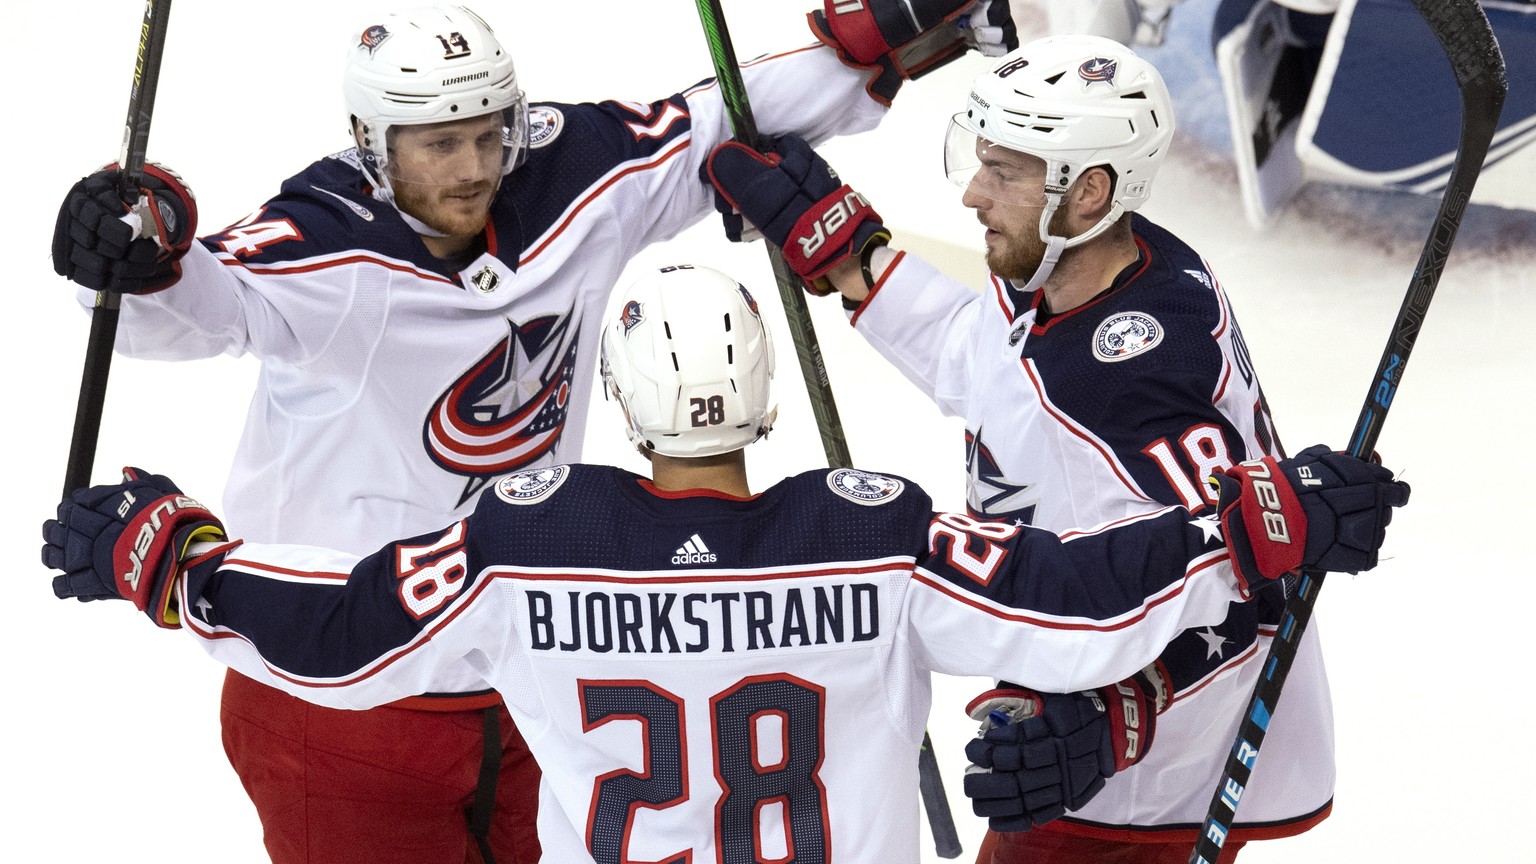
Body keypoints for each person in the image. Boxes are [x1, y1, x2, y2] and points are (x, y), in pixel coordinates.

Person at [47, 3, 1021, 862]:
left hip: (532, 679)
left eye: (489, 133)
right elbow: (181, 307)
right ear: (369, 141)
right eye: (438, 144)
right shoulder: (320, 248)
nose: (474, 169)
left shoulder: (571, 174)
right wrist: (138, 236)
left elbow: (720, 117)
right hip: (339, 689)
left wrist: (878, 30)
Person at [41, 264, 1410, 864]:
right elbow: (1084, 602)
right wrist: (1251, 523)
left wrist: (178, 565)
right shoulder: (875, 532)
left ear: (625, 402)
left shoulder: (531, 546)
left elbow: (340, 630)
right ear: (761, 398)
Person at [704, 32, 1357, 864]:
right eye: (980, 161)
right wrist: (851, 258)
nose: (974, 193)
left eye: (1004, 172)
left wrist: (1113, 720)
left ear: (1089, 191)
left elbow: (1251, 580)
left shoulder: (1137, 380)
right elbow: (982, 357)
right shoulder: (1083, 271)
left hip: (1134, 796)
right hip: (1080, 734)